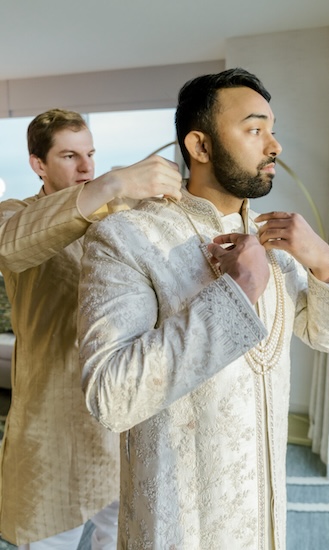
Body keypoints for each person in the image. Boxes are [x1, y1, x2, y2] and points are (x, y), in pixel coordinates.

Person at [78, 69, 329, 550]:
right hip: (180, 526)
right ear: (200, 146)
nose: (275, 146)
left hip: (266, 516)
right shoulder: (127, 238)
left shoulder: (277, 242)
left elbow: (327, 337)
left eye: (272, 129)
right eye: (254, 129)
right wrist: (239, 290)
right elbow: (110, 396)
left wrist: (325, 264)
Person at [0, 108, 182, 550]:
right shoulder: (16, 215)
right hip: (52, 422)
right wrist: (115, 182)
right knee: (43, 538)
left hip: (121, 414)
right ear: (37, 164)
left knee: (122, 536)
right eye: (69, 156)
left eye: (91, 154)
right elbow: (8, 246)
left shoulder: (116, 218)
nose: (86, 167)